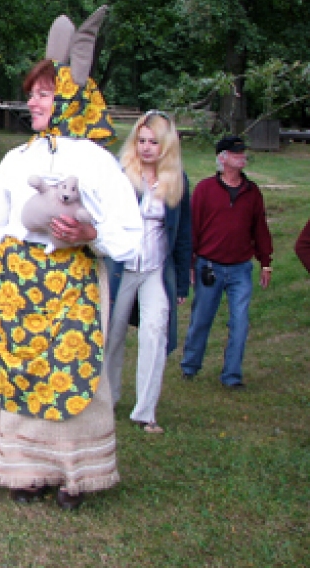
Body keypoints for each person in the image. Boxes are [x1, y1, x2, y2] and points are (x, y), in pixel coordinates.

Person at [0, 7, 143, 509]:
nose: (32, 101)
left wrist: (90, 231)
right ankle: (25, 471)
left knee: (68, 370)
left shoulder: (95, 160)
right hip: (18, 282)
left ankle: (72, 477)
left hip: (71, 281)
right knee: (17, 369)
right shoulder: (18, 159)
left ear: (70, 95)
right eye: (33, 92)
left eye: (43, 93)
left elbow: (129, 234)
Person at [106, 111, 191, 434]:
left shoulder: (177, 181)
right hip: (121, 268)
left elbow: (183, 235)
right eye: (141, 140)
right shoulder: (121, 173)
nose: (146, 147)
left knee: (154, 332)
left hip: (156, 269)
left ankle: (145, 412)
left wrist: (182, 282)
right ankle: (108, 397)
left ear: (166, 145)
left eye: (153, 142)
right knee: (112, 334)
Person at [181, 135, 273, 389]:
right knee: (202, 318)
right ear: (222, 159)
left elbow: (260, 228)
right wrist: (190, 262)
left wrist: (265, 261)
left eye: (242, 152)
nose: (241, 156)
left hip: (241, 268)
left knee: (240, 322)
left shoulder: (252, 192)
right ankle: (190, 365)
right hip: (209, 265)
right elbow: (193, 228)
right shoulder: (205, 189)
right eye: (236, 153)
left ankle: (232, 376)